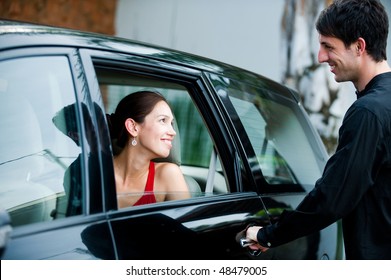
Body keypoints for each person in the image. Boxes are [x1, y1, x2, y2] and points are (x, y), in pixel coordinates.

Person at [243, 0, 391, 259]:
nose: (321, 57)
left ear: (359, 46)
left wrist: (269, 234)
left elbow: (332, 197)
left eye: (328, 46)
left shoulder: (368, 113)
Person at [106, 90, 190, 208]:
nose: (173, 132)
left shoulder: (168, 174)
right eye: (163, 120)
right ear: (133, 127)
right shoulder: (93, 170)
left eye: (171, 123)